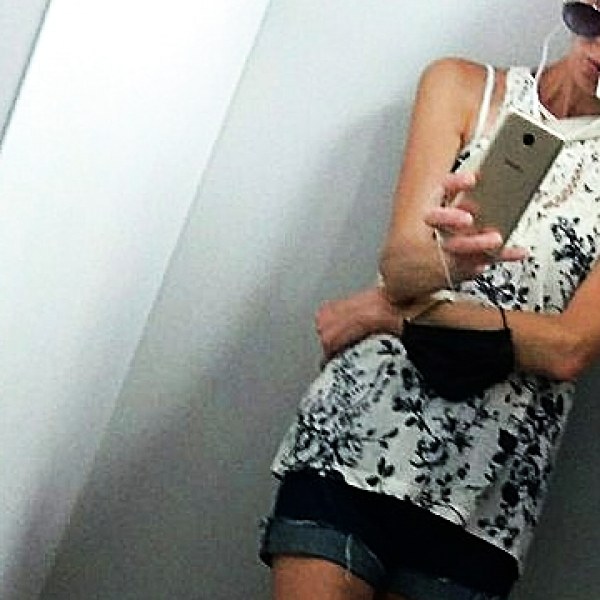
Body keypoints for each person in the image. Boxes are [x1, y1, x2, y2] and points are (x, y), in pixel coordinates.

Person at [260, 2, 600, 599]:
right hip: (364, 429)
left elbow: (568, 348)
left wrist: (388, 313)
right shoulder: (462, 88)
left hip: (491, 476)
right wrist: (444, 263)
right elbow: (400, 264)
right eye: (592, 19)